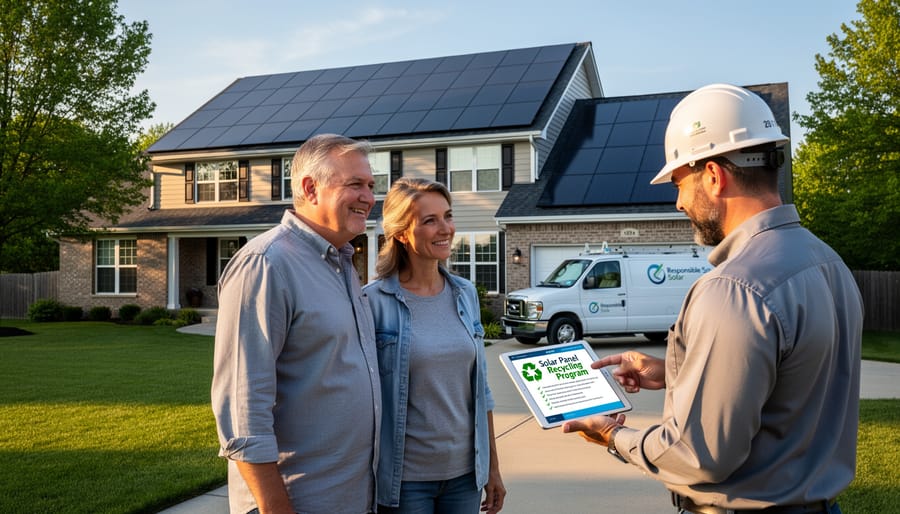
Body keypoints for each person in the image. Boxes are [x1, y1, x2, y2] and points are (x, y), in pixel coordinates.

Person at [563, 84, 864, 514]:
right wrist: (676, 371)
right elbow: (791, 378)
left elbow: (696, 454)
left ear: (713, 176)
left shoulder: (734, 288)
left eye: (679, 183)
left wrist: (612, 436)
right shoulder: (828, 263)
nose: (679, 202)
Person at [211, 133, 381, 514]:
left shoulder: (342, 264)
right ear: (310, 188)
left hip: (350, 497)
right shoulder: (266, 264)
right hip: (298, 502)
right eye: (355, 184)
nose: (369, 197)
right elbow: (242, 407)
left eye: (370, 185)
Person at [363, 178, 506, 514]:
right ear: (400, 232)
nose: (445, 229)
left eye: (448, 216)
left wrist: (492, 469)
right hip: (406, 481)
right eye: (430, 220)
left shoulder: (464, 293)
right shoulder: (374, 302)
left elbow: (479, 392)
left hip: (465, 476)